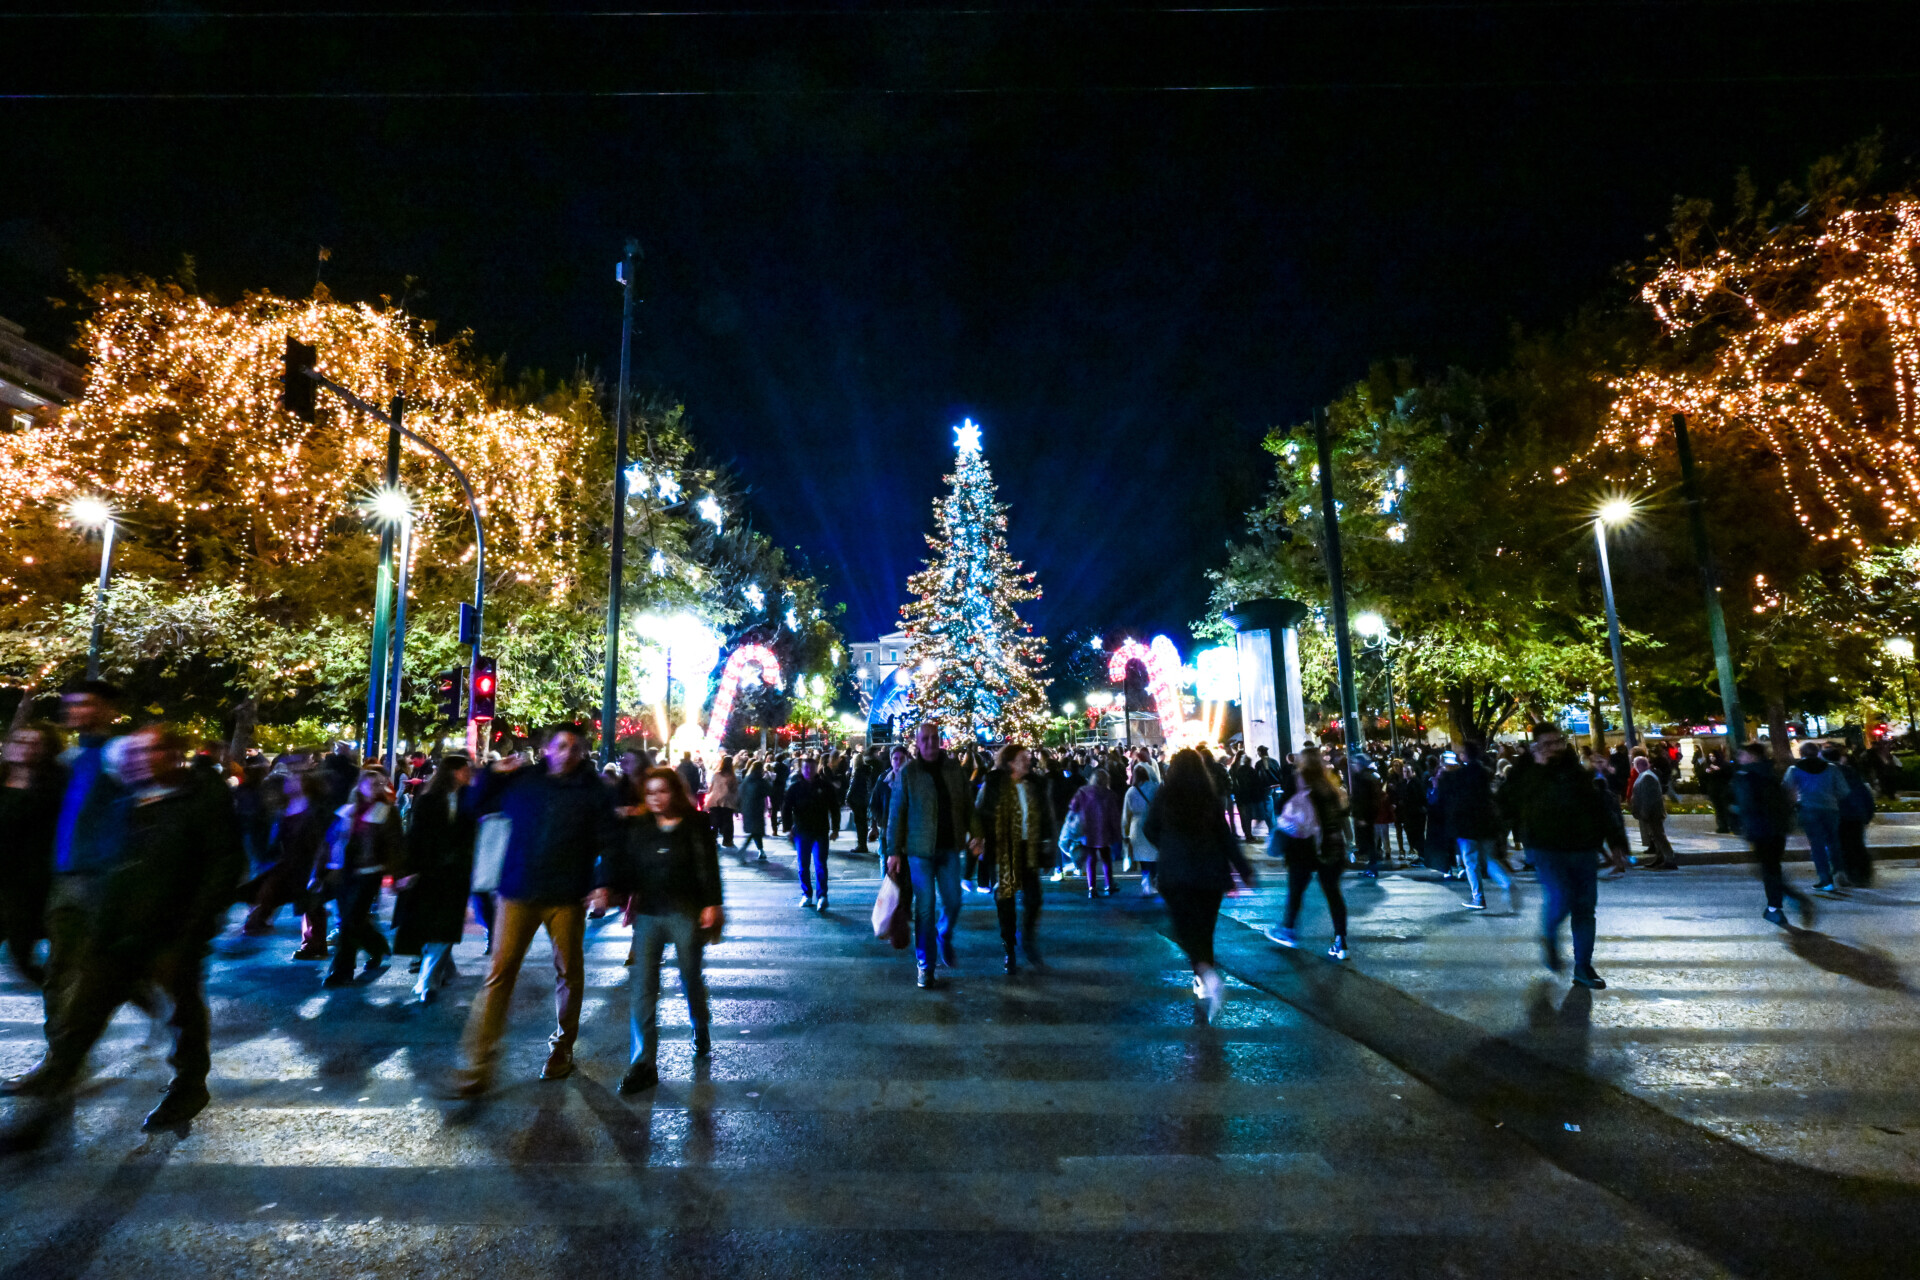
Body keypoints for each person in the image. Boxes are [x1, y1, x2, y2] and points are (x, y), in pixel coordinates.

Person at [2, 725, 244, 1133]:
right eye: (131, 755)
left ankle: (189, 1085)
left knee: (183, 1012)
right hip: (115, 932)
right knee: (83, 1013)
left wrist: (193, 930)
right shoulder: (129, 801)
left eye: (145, 752)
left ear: (171, 754)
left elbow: (224, 867)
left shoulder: (200, 799)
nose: (134, 761)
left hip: (171, 933)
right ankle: (52, 1087)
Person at [448, 723, 619, 1097]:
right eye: (561, 745)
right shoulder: (523, 780)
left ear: (584, 753)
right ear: (547, 748)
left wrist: (602, 883)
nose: (568, 753)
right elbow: (474, 807)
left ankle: (562, 1047)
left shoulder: (594, 791)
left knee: (569, 973)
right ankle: (477, 1061)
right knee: (499, 973)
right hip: (518, 889)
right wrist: (493, 773)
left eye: (576, 748)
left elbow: (609, 838)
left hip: (566, 895)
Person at [599, 766, 723, 1094]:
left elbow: (708, 866)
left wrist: (712, 903)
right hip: (649, 913)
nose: (655, 798)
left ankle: (700, 1025)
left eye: (662, 791)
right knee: (643, 985)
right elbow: (622, 863)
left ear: (675, 793)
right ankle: (643, 1062)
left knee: (690, 977)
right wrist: (608, 887)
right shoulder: (639, 826)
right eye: (650, 792)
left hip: (685, 912)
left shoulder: (695, 824)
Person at [1499, 722, 1627, 990]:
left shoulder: (1574, 770)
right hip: (1546, 847)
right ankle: (1548, 935)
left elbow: (1597, 806)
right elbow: (1507, 803)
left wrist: (1616, 844)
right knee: (1561, 897)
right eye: (1547, 744)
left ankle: (1583, 966)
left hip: (1583, 847)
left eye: (1558, 742)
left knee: (1585, 908)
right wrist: (1538, 768)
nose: (1554, 748)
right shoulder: (1525, 769)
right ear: (1536, 746)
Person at [1143, 748, 1255, 1020]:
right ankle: (1204, 977)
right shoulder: (1209, 796)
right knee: (1205, 929)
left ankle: (1205, 974)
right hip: (1210, 872)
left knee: (1185, 929)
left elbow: (1149, 828)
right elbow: (1225, 836)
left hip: (1176, 872)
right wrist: (1244, 869)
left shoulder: (1165, 795)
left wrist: (1167, 846)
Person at [885, 721, 977, 989]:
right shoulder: (908, 773)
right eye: (924, 739)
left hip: (949, 848)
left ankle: (944, 933)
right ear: (917, 742)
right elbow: (896, 813)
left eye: (933, 738)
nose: (929, 743)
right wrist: (894, 851)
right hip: (919, 851)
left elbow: (968, 805)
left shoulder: (953, 770)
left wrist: (976, 834)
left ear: (940, 740)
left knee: (954, 901)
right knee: (924, 908)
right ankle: (925, 965)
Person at [391, 753, 477, 1004]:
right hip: (431, 872)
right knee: (439, 925)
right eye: (464, 769)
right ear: (453, 772)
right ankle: (428, 980)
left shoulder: (467, 798)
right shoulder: (429, 799)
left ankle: (440, 973)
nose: (469, 773)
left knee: (444, 924)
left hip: (456, 872)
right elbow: (416, 836)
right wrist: (407, 870)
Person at [316, 767, 401, 987]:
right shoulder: (346, 811)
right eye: (372, 784)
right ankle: (377, 947)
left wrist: (395, 874)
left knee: (350, 921)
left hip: (369, 873)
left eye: (380, 784)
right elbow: (328, 844)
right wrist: (318, 873)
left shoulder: (386, 812)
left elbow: (395, 845)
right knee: (352, 921)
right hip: (343, 873)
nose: (377, 788)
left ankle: (342, 970)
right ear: (360, 786)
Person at [1265, 745, 1351, 960]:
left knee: (1296, 890)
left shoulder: (1297, 780)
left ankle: (1288, 930)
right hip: (1330, 845)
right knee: (1333, 893)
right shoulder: (1329, 784)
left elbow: (1283, 808)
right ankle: (1341, 941)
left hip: (1303, 846)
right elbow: (1341, 815)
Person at [974, 743, 1052, 973]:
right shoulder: (994, 783)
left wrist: (1047, 844)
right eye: (1021, 758)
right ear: (1009, 762)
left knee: (1034, 898)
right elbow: (981, 812)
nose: (1027, 760)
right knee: (1006, 901)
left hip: (1028, 848)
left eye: (1027, 757)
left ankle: (1028, 940)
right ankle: (1009, 947)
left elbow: (1045, 815)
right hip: (1004, 848)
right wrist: (981, 840)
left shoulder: (1034, 784)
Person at [239, 767, 331, 955]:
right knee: (268, 892)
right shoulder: (283, 810)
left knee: (311, 905)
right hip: (287, 864)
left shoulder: (314, 811)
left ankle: (315, 945)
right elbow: (276, 839)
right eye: (289, 781)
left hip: (307, 865)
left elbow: (320, 842)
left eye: (295, 780)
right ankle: (258, 923)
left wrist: (319, 869)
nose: (290, 783)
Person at [0, 723, 65, 985]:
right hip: (3, 877)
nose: (25, 748)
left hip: (31, 882)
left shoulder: (56, 786)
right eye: (20, 741)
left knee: (22, 953)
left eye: (33, 742)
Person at [1730, 740, 1808, 927]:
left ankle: (1777, 907)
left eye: (1743, 754)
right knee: (1772, 867)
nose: (1740, 758)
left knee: (1767, 869)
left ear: (1753, 756)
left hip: (1759, 829)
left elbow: (1747, 804)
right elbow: (1785, 798)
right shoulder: (1772, 772)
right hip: (1777, 828)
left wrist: (1735, 812)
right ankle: (1780, 904)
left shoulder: (1746, 775)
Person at [1434, 741, 1515, 910]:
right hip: (1486, 823)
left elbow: (1449, 792)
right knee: (1489, 858)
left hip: (1467, 826)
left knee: (1471, 863)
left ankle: (1478, 898)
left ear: (1465, 754)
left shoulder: (1461, 774)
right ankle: (1506, 883)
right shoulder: (1485, 772)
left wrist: (1444, 773)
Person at [1784, 740, 1848, 892]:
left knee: (1817, 844)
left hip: (1808, 809)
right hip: (1831, 809)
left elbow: (1786, 790)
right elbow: (1843, 790)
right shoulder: (1831, 768)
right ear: (1817, 752)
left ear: (1801, 753)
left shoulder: (1794, 769)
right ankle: (1839, 870)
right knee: (1833, 841)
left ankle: (1825, 879)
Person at [781, 755, 836, 911]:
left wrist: (835, 828)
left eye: (811, 768)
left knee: (820, 864)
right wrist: (788, 827)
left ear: (816, 768)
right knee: (803, 865)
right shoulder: (795, 787)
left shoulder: (824, 786)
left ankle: (822, 895)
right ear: (801, 769)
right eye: (805, 768)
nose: (808, 771)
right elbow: (786, 807)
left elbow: (834, 807)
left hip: (820, 830)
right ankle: (807, 894)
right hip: (802, 830)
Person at [1067, 768, 1123, 898]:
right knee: (1106, 858)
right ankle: (1109, 884)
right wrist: (1117, 833)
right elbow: (1114, 816)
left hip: (1087, 830)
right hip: (1104, 831)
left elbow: (1073, 806)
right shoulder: (1109, 794)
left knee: (1090, 859)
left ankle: (1092, 888)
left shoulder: (1083, 792)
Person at [1830, 743, 1877, 888]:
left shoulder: (1830, 774)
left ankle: (1850, 873)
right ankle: (1863, 874)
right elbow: (1864, 794)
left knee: (1844, 845)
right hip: (1856, 814)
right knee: (1857, 844)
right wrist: (1868, 813)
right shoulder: (1852, 773)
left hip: (1841, 815)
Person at [1628, 755, 1679, 870]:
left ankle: (1669, 858)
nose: (1634, 767)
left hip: (1652, 813)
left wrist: (1645, 812)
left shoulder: (1647, 777)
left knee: (1659, 836)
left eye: (1635, 765)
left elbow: (1648, 798)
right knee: (1656, 836)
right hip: (1651, 813)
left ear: (1640, 765)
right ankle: (1661, 858)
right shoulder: (1646, 775)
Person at [1123, 763, 1160, 896]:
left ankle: (1146, 882)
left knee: (1142, 857)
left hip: (1136, 826)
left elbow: (1126, 815)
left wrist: (1125, 833)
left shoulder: (1131, 792)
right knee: (1154, 854)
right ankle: (1155, 881)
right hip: (1152, 824)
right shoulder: (1155, 788)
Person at [737, 756, 771, 860]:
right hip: (756, 809)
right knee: (756, 831)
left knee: (755, 831)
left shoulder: (747, 779)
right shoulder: (759, 780)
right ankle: (746, 850)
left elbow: (740, 793)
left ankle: (761, 851)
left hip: (747, 809)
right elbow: (769, 790)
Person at [705, 754, 740, 849]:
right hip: (727, 802)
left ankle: (713, 839)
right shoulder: (732, 777)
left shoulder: (716, 774)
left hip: (714, 800)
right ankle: (727, 840)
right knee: (728, 821)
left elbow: (711, 788)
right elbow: (734, 790)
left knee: (714, 821)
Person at [848, 748, 875, 854]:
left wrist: (848, 798)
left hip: (857, 800)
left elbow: (853, 787)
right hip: (864, 799)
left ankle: (861, 845)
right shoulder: (868, 770)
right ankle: (863, 844)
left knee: (859, 823)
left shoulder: (858, 772)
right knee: (863, 823)